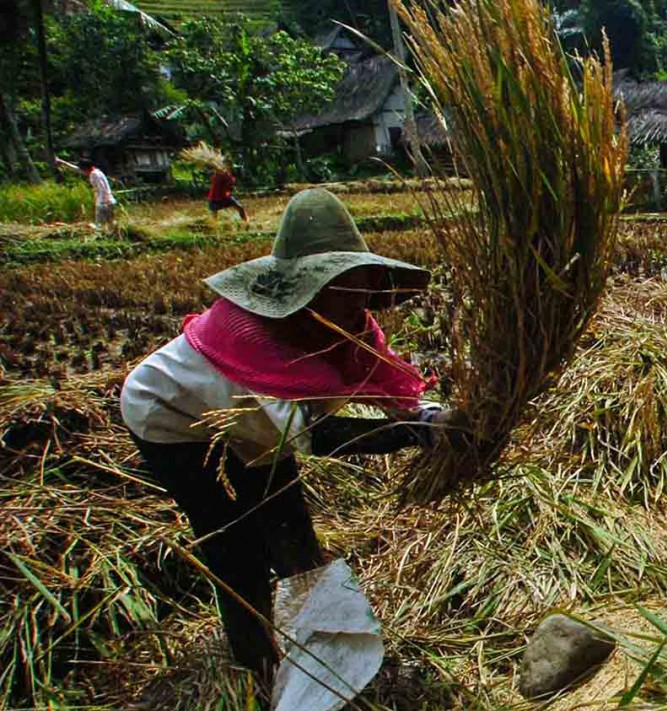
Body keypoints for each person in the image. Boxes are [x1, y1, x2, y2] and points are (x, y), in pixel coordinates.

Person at [121, 188, 466, 686]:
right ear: (303, 290)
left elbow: (390, 386)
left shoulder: (348, 327)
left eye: (362, 286)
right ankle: (255, 663)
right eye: (340, 287)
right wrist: (418, 431)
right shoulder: (254, 343)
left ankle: (320, 649)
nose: (357, 303)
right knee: (233, 541)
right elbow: (314, 435)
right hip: (173, 418)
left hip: (256, 424)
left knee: (290, 525)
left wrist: (433, 415)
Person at [79, 159, 117, 228]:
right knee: (111, 223)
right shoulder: (98, 172)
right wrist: (64, 163)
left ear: (86, 168)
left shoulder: (94, 174)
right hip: (110, 201)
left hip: (103, 203)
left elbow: (102, 188)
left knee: (99, 226)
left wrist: (99, 203)